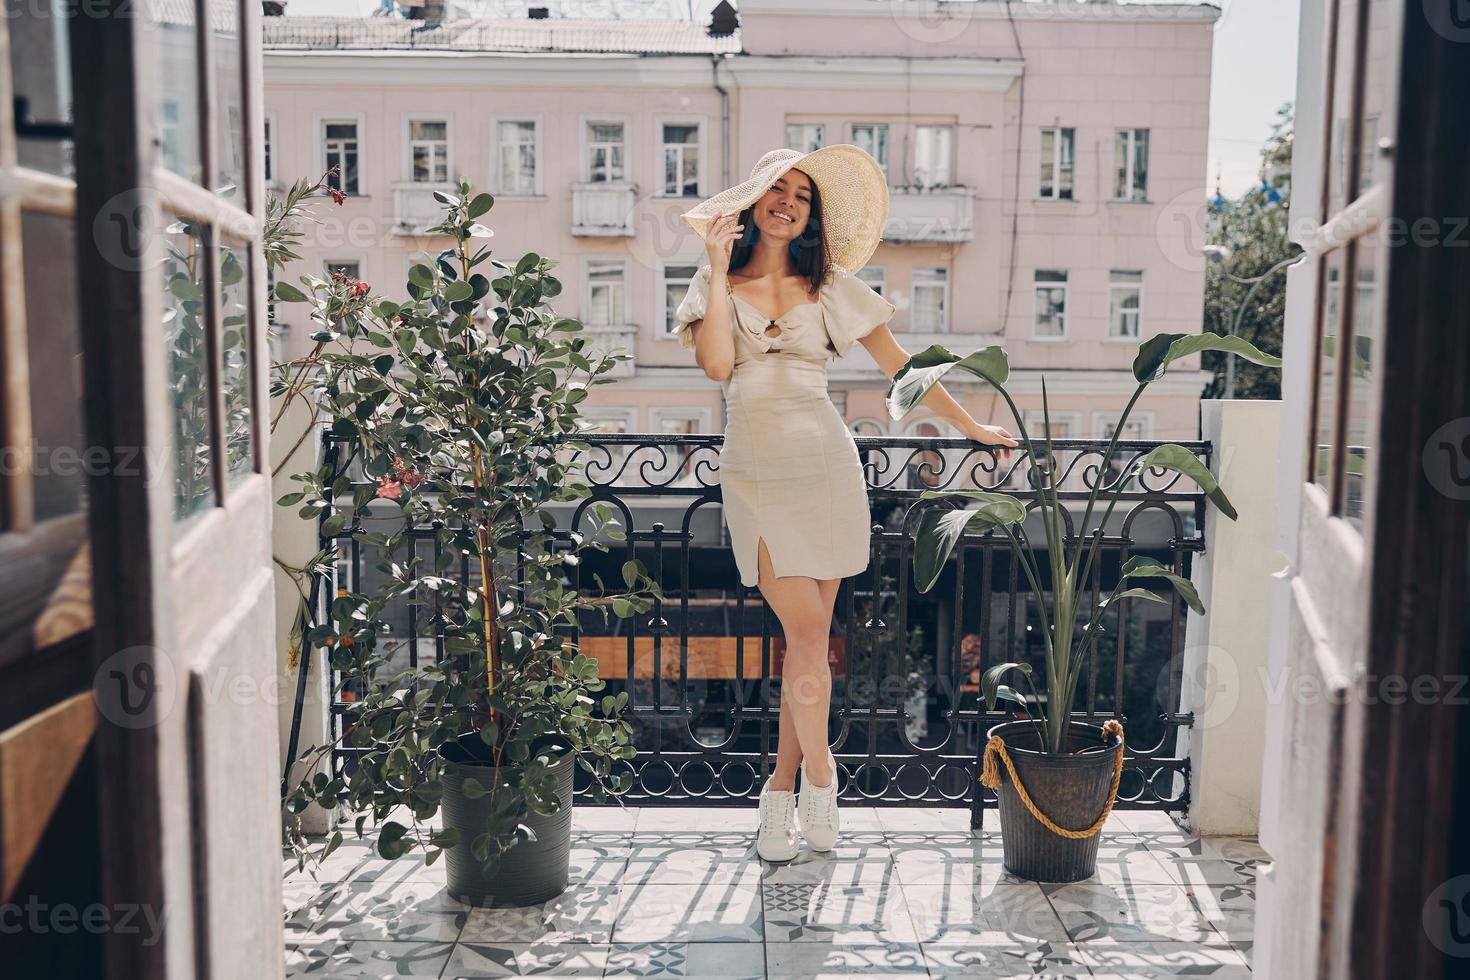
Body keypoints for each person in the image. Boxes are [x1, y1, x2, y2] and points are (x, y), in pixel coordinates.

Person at [670, 145, 1017, 862]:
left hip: (826, 464)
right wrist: (711, 260)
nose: (789, 200)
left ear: (810, 213)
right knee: (804, 635)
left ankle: (779, 796)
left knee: (809, 645)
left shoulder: (829, 285)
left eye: (802, 193)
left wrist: (972, 427)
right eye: (778, 188)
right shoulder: (716, 282)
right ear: (755, 199)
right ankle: (821, 781)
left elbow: (905, 368)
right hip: (756, 472)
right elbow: (715, 367)